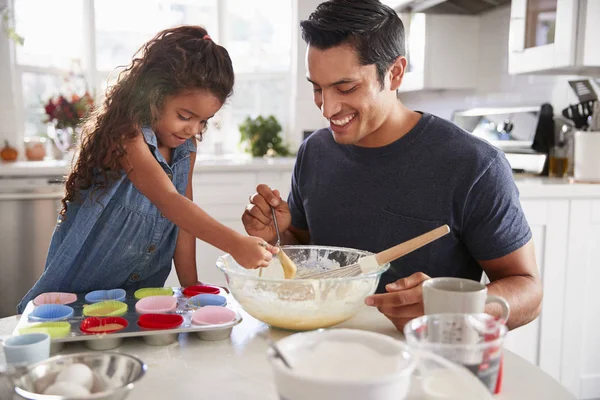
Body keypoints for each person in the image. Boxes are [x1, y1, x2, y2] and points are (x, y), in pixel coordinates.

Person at [241, 0, 542, 331]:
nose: (327, 109)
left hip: (425, 361)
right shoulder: (314, 152)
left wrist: (453, 308)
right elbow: (309, 254)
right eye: (317, 88)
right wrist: (279, 234)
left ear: (395, 73)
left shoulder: (473, 165)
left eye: (345, 87)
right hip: (322, 347)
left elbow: (528, 289)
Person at [18, 26, 277, 313]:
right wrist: (235, 243)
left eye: (204, 121)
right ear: (155, 95)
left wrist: (191, 286)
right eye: (184, 116)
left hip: (138, 297)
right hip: (80, 292)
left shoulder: (186, 147)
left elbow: (184, 217)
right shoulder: (127, 135)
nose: (193, 129)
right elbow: (170, 201)